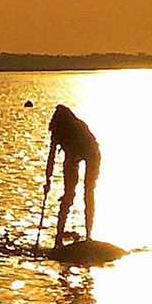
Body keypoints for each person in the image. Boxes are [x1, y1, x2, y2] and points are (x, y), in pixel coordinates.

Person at [44, 104, 101, 248]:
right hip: (72, 156)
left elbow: (90, 148)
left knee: (88, 192)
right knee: (68, 195)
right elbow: (51, 156)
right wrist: (47, 180)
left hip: (92, 154)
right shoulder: (57, 131)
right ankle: (58, 238)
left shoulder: (78, 127)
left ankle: (88, 235)